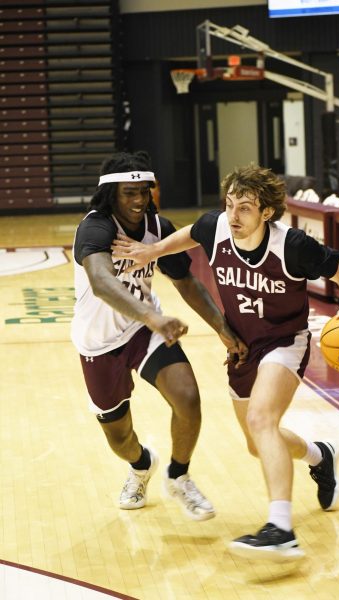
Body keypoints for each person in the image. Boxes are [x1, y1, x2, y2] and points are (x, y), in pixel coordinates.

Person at [112, 163, 339, 561]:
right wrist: (151, 250)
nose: (233, 216)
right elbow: (186, 237)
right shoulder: (215, 227)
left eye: (245, 208)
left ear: (266, 212)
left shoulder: (291, 245)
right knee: (258, 443)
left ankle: (280, 528)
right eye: (229, 204)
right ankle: (320, 455)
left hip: (285, 342)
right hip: (242, 348)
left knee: (261, 420)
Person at [71, 150, 247, 522]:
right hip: (99, 341)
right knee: (120, 439)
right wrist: (155, 316)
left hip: (143, 331)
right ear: (111, 196)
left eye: (144, 191)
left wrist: (222, 329)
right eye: (128, 193)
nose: (138, 200)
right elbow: (102, 283)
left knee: (187, 397)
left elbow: (185, 281)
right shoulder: (96, 228)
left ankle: (178, 475)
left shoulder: (159, 227)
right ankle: (140, 466)